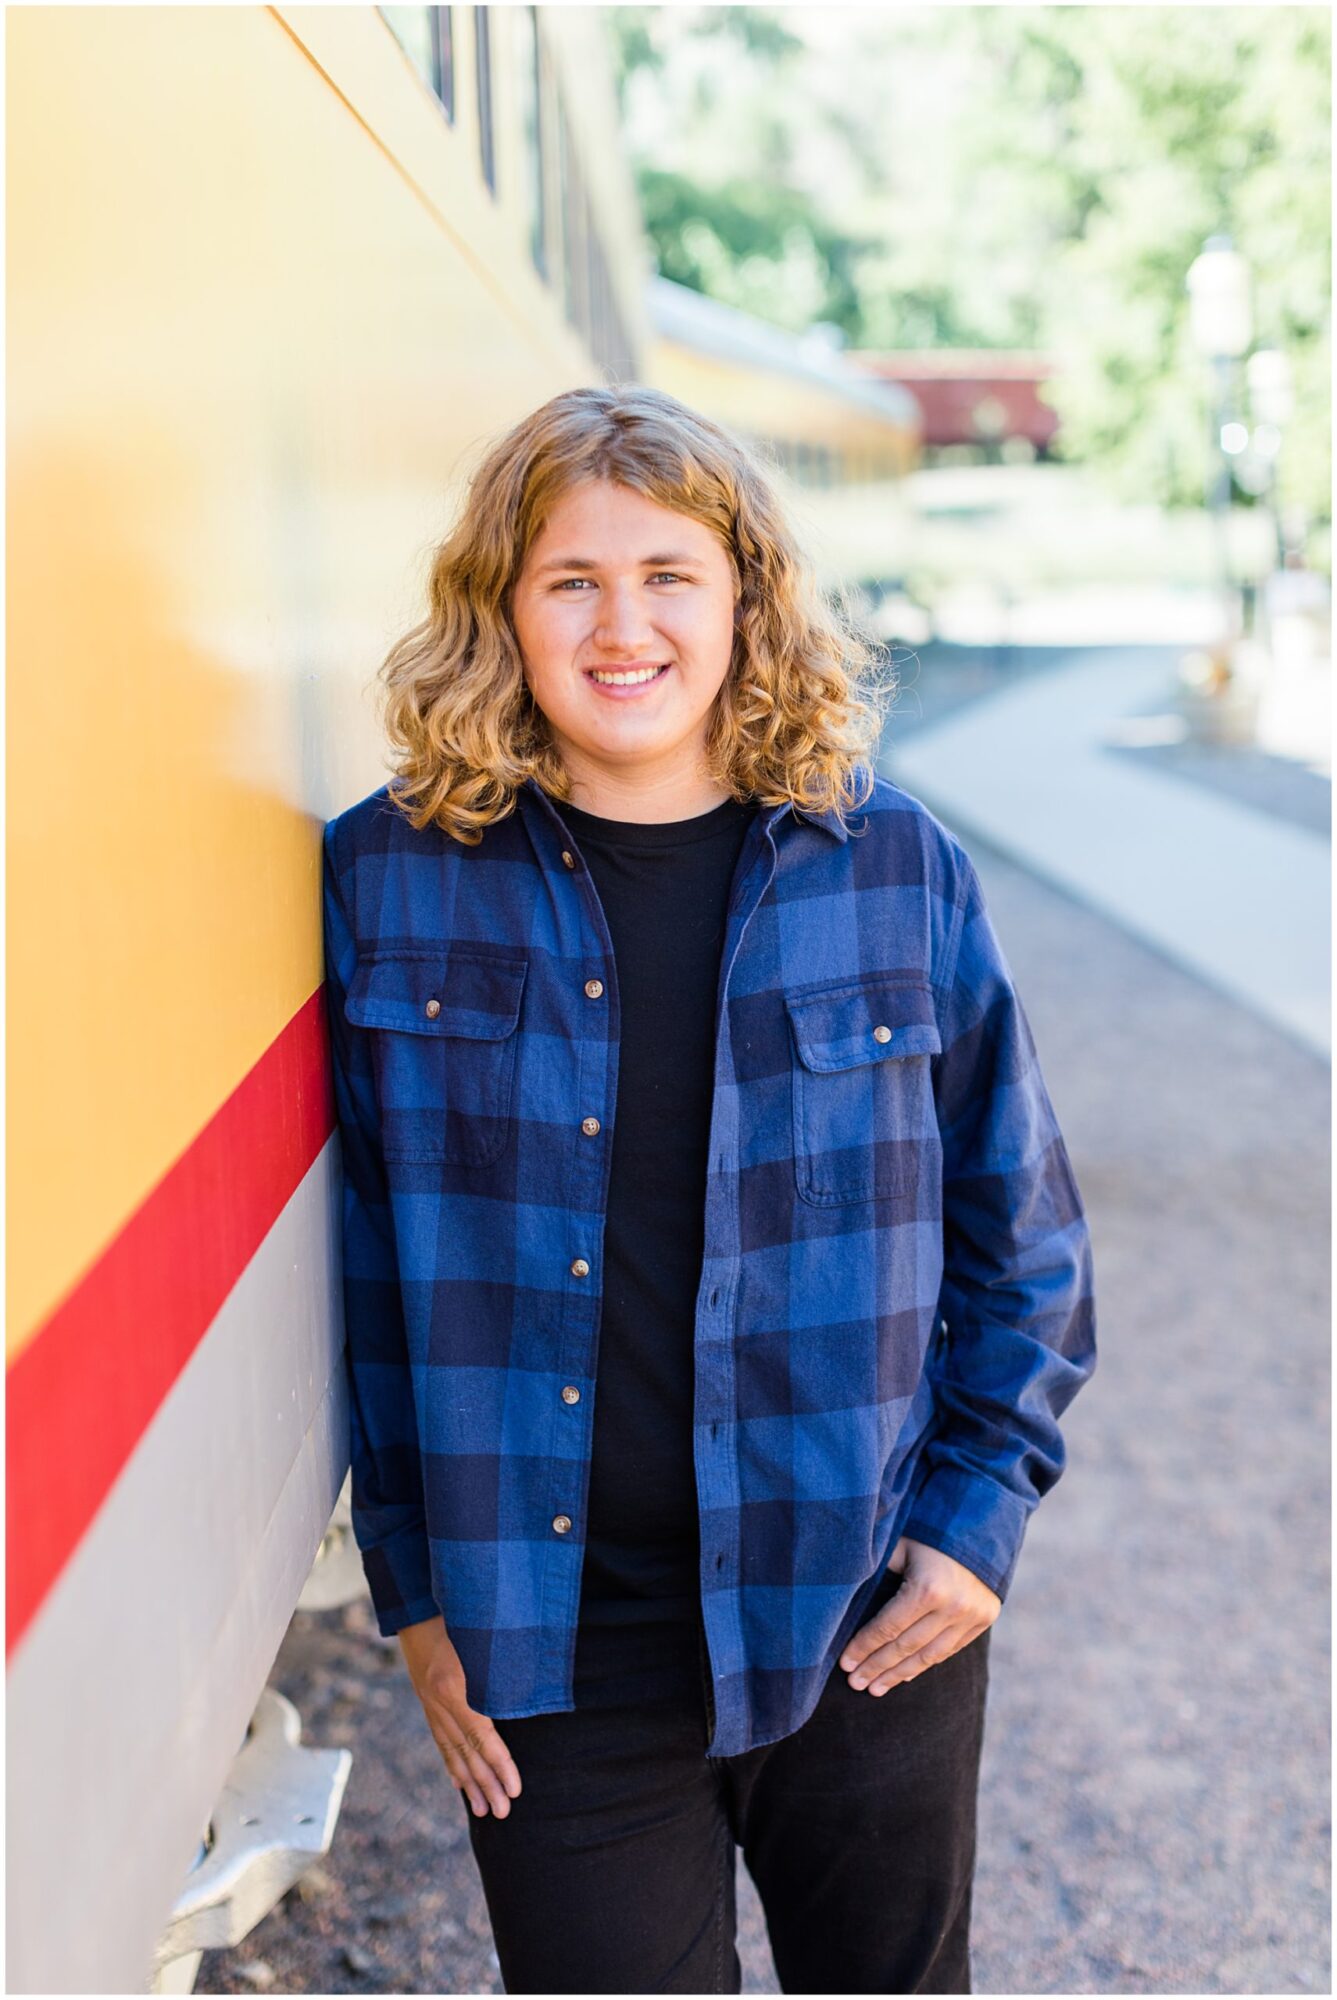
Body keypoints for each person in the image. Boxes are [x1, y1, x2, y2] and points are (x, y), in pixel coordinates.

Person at [321, 384, 1097, 1995]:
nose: (625, 627)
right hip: (552, 1641)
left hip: (857, 1612)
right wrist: (412, 1588)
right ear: (500, 614)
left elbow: (1022, 1237)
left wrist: (970, 1527)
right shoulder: (386, 877)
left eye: (670, 574)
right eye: (571, 582)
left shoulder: (890, 867)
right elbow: (369, 1279)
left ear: (744, 599)